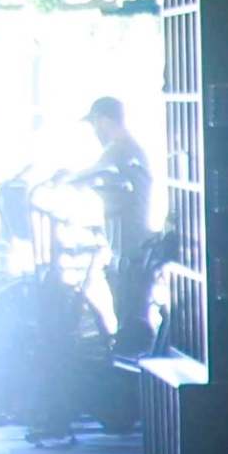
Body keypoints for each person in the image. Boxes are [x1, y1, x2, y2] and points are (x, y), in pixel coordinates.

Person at [74, 96, 160, 354]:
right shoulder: (126, 150)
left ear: (104, 120)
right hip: (128, 247)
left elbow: (89, 175)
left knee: (130, 317)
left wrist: (64, 180)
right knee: (129, 313)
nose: (94, 131)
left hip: (130, 248)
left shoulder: (120, 149)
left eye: (95, 124)